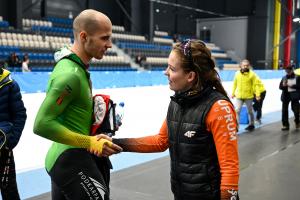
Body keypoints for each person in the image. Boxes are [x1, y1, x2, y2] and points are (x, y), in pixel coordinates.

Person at [113, 39, 240, 200]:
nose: (166, 72)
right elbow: (161, 141)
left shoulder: (218, 108)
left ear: (190, 76)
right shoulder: (177, 102)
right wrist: (117, 144)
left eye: (172, 69)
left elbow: (229, 168)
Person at [33, 9, 122, 200]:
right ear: (84, 36)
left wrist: (98, 123)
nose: (109, 44)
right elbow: (41, 124)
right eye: (104, 38)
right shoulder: (71, 75)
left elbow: (69, 115)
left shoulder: (76, 68)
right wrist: (88, 141)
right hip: (70, 158)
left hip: (66, 155)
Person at [0, 63, 27, 200]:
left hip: (3, 150)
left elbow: (20, 114)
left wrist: (11, 141)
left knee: (9, 192)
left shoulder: (9, 84)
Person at [231, 59, 258, 131]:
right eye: (244, 65)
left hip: (249, 96)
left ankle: (251, 124)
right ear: (241, 66)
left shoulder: (252, 74)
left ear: (248, 66)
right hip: (239, 96)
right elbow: (234, 84)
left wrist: (257, 94)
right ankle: (236, 127)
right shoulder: (237, 74)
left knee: (250, 111)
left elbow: (256, 85)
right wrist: (233, 93)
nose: (245, 67)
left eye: (247, 65)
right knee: (237, 111)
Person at [279, 65, 300, 131]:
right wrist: (284, 85)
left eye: (289, 71)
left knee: (296, 111)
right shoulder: (284, 77)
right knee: (284, 111)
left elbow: (299, 86)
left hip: (294, 96)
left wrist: (292, 86)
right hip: (285, 96)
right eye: (286, 71)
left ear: (292, 70)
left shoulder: (298, 77)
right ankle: (285, 125)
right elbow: (280, 87)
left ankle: (297, 121)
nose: (287, 73)